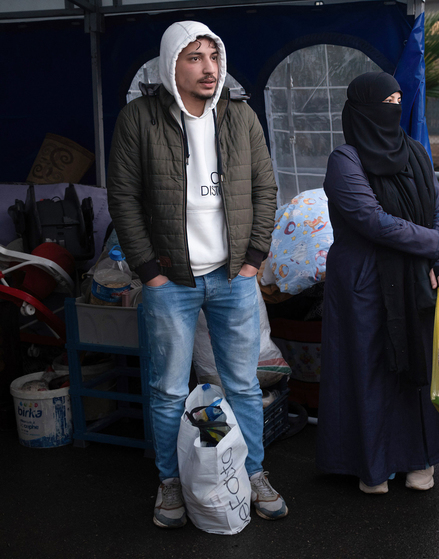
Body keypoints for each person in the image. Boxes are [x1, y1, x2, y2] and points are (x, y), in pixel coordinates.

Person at [107, 21, 287, 528]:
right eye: (194, 57)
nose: (208, 68)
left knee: (244, 385)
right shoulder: (138, 119)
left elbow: (265, 190)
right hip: (171, 280)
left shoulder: (241, 117)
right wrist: (148, 271)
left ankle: (252, 473)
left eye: (213, 57)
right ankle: (170, 484)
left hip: (233, 276)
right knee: (167, 388)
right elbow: (123, 197)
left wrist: (253, 258)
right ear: (171, 64)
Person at [316, 72, 439, 493]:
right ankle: (372, 466)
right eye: (386, 101)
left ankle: (419, 459)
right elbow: (372, 221)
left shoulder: (414, 152)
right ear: (362, 110)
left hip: (413, 279)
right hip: (363, 283)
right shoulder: (345, 160)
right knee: (370, 372)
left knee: (414, 368)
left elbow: (438, 205)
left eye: (399, 99)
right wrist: (438, 242)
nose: (394, 108)